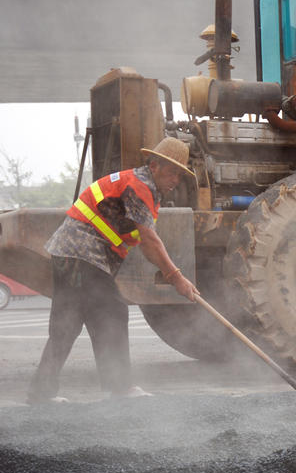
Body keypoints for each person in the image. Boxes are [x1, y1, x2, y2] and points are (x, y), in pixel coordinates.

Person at [26, 138, 199, 405]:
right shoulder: (140, 187)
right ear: (154, 166)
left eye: (180, 173)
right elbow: (150, 242)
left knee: (67, 324)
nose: (176, 178)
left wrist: (173, 275)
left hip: (68, 252)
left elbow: (143, 244)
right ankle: (121, 388)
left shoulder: (140, 185)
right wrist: (176, 277)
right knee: (112, 312)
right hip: (81, 252)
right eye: (171, 171)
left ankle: (41, 393)